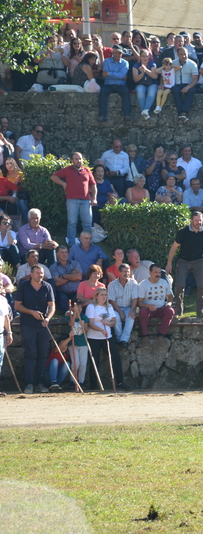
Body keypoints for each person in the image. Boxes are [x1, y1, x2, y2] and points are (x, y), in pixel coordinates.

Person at [15, 264, 55, 394]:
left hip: (43, 325)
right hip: (28, 324)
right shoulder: (23, 286)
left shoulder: (47, 286)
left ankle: (40, 383)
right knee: (30, 354)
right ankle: (29, 384)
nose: (40, 275)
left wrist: (48, 318)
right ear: (31, 274)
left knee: (43, 354)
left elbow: (52, 306)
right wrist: (31, 312)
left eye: (41, 273)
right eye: (37, 273)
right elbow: (17, 306)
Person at [166, 211, 203, 318]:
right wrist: (169, 263)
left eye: (200, 220)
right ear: (191, 220)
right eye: (196, 220)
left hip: (199, 261)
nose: (198, 222)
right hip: (183, 261)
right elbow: (174, 248)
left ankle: (201, 310)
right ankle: (178, 310)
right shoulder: (183, 232)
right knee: (180, 286)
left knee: (202, 285)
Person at [85, 287, 130, 391]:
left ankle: (120, 382)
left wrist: (108, 323)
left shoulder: (109, 306)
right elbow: (90, 323)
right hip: (93, 338)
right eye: (102, 295)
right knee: (94, 361)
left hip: (107, 337)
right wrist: (101, 329)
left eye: (105, 295)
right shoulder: (91, 307)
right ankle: (93, 385)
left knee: (115, 358)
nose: (104, 297)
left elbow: (114, 321)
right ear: (96, 296)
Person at [49, 152, 97, 247]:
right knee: (72, 223)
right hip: (72, 200)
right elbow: (53, 177)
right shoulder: (67, 170)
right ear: (72, 161)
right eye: (76, 159)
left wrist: (94, 198)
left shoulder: (87, 170)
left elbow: (94, 185)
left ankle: (88, 243)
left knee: (87, 223)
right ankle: (71, 244)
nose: (78, 161)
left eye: (80, 158)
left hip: (85, 200)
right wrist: (63, 183)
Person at [138, 263, 174, 345]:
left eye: (159, 272)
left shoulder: (164, 282)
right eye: (156, 272)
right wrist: (148, 306)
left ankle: (160, 335)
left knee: (170, 311)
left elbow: (170, 297)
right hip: (148, 309)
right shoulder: (143, 284)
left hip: (162, 308)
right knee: (143, 311)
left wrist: (169, 303)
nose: (158, 274)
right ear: (150, 273)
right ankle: (145, 336)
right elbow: (139, 302)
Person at [107, 263, 139, 347]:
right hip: (116, 308)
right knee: (116, 317)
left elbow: (135, 299)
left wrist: (132, 310)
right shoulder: (112, 284)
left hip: (129, 307)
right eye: (124, 271)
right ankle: (120, 339)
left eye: (128, 272)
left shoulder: (134, 283)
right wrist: (120, 312)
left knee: (130, 317)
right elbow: (112, 301)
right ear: (119, 272)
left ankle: (123, 340)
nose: (126, 274)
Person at [98, 45, 131, 122]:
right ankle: (102, 115)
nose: (117, 55)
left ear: (121, 54)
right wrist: (118, 75)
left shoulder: (125, 63)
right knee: (103, 92)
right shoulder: (106, 61)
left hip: (121, 85)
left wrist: (109, 74)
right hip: (108, 84)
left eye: (119, 53)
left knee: (126, 92)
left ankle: (127, 114)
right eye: (115, 53)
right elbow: (104, 74)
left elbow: (121, 75)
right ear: (113, 53)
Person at [49, 245, 82, 313]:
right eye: (62, 252)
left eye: (66, 252)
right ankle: (67, 314)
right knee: (62, 298)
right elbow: (57, 282)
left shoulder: (75, 264)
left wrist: (63, 276)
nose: (65, 254)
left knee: (80, 300)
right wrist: (72, 275)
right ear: (57, 254)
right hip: (62, 292)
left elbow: (79, 277)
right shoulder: (53, 267)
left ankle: (79, 315)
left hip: (76, 291)